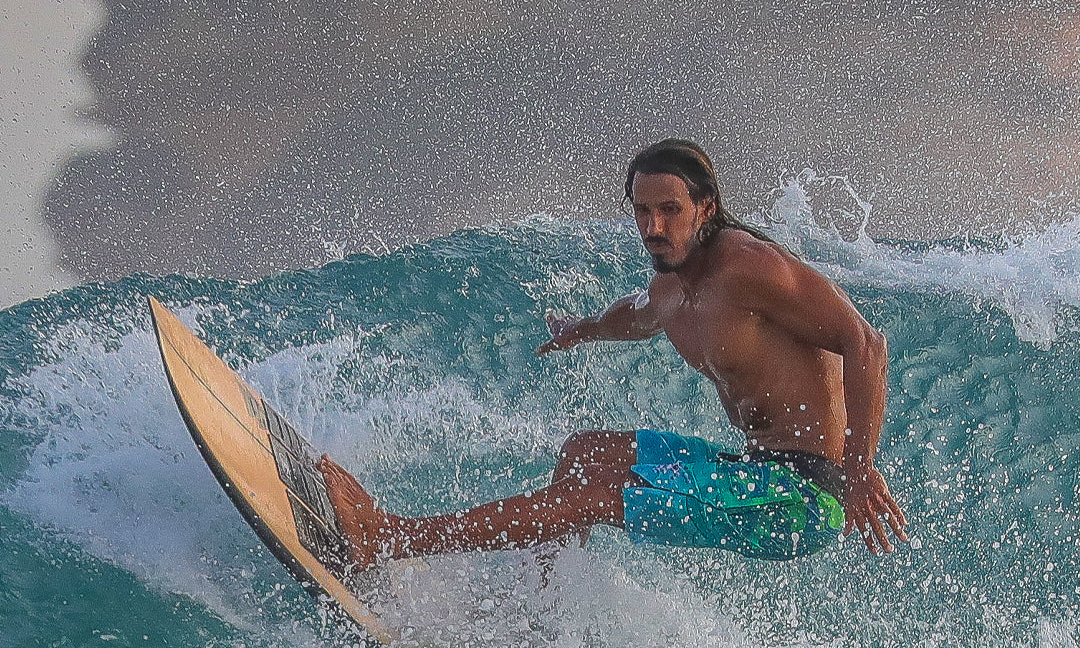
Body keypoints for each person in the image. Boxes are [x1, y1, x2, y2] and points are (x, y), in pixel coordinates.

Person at [318, 138, 906, 568]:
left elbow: (865, 343)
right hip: (753, 470)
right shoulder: (672, 287)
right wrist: (582, 329)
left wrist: (859, 471)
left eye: (670, 210)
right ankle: (537, 601)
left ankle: (387, 539)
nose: (654, 226)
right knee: (585, 454)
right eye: (643, 211)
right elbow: (638, 315)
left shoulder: (747, 265)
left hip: (803, 499)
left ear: (704, 207)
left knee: (600, 497)